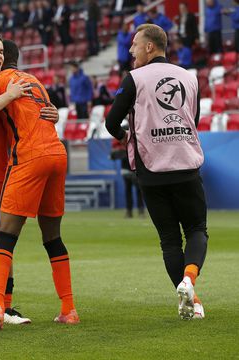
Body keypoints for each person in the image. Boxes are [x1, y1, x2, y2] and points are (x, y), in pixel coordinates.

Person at [0, 39, 78, 331]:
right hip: (58, 154)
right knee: (52, 236)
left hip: (29, 158)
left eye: (0, 53)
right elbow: (47, 111)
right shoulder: (34, 80)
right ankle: (69, 309)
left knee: (5, 236)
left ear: (4, 58)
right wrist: (57, 113)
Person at [105, 24, 207, 320]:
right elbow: (193, 118)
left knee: (170, 240)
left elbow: (112, 122)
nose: (131, 50)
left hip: (151, 170)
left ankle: (192, 299)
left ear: (150, 47)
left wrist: (127, 138)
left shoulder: (134, 78)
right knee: (197, 230)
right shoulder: (190, 77)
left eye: (135, 44)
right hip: (186, 164)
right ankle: (190, 282)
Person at [110, 135, 144, 218]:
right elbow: (112, 156)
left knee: (136, 192)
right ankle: (133, 211)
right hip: (128, 172)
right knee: (131, 192)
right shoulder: (123, 148)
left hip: (134, 172)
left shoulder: (132, 146)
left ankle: (138, 211)